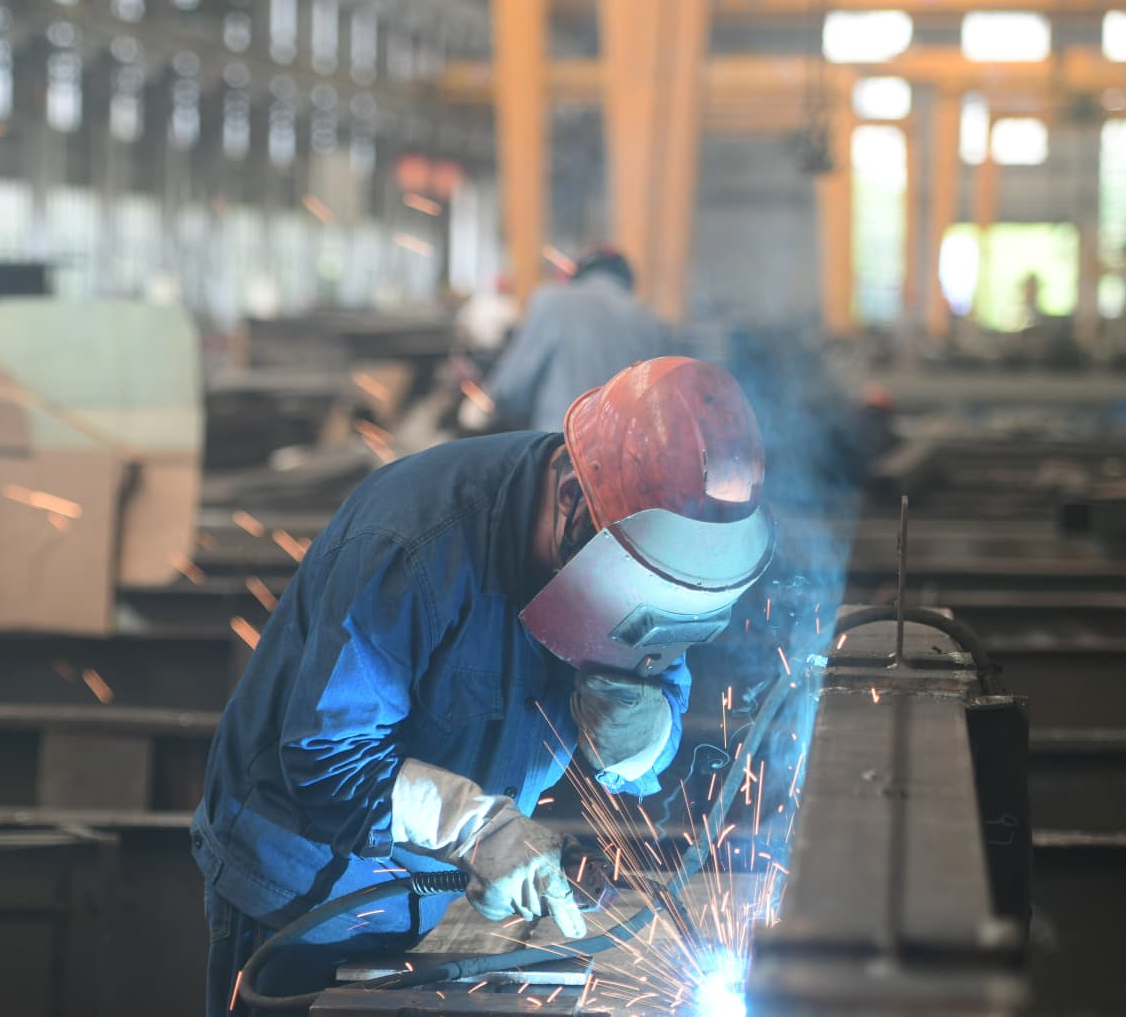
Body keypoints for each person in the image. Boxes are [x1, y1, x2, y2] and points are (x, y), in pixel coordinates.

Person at [193, 357, 775, 1015]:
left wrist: (643, 733)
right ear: (570, 500)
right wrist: (476, 830)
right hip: (306, 891)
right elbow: (327, 759)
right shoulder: (414, 544)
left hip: (435, 895)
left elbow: (658, 688)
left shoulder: (655, 551)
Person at [461, 247, 671, 432]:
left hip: (560, 449)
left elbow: (512, 390)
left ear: (578, 272)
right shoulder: (652, 321)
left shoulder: (551, 301)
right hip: (624, 458)